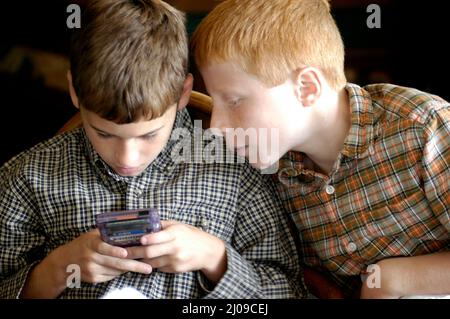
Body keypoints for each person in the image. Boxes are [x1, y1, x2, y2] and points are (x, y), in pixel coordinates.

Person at [0, 0, 305, 299]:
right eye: (104, 133)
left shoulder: (235, 168)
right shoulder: (27, 178)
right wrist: (57, 268)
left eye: (149, 135)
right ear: (75, 91)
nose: (126, 159)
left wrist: (215, 258)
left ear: (183, 93)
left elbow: (289, 291)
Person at [191, 0, 450, 298]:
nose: (217, 126)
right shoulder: (271, 170)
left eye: (234, 101)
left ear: (307, 89)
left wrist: (394, 279)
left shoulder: (423, 127)